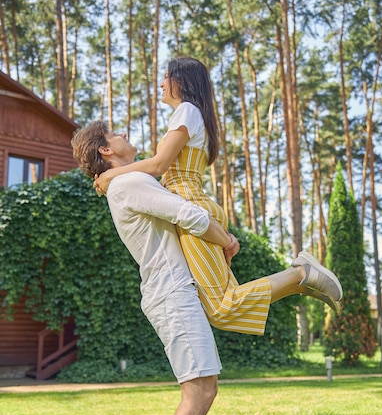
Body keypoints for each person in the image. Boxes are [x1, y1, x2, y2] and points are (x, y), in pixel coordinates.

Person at [71, 121, 237, 415]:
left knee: (200, 389)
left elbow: (166, 176)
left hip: (174, 291)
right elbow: (189, 215)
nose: (125, 134)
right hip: (172, 294)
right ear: (105, 151)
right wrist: (228, 241)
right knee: (199, 391)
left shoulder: (126, 181)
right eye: (116, 134)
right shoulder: (127, 187)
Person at [94, 56, 343, 332]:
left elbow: (159, 165)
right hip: (191, 203)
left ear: (183, 81)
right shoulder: (190, 113)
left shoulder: (187, 110)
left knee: (222, 308)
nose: (161, 83)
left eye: (166, 77)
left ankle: (301, 274)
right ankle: (301, 283)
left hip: (189, 205)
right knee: (226, 301)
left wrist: (110, 174)